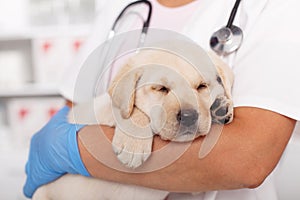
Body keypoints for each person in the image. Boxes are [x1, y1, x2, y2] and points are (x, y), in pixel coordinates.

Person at [23, 0, 300, 199]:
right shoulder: (117, 5)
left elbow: (247, 160)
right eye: (162, 89)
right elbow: (76, 112)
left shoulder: (276, 7)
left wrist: (74, 149)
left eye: (202, 85)